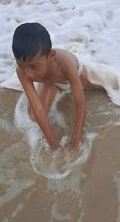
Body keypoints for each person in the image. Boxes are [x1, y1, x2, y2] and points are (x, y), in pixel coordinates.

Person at [12, 22, 102, 150]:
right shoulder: (22, 71)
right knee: (32, 116)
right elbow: (38, 109)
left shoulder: (66, 64)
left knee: (103, 87)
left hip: (75, 74)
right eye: (21, 65)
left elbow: (80, 105)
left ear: (51, 56)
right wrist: (53, 144)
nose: (28, 74)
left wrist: (75, 142)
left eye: (34, 66)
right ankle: (55, 88)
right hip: (49, 82)